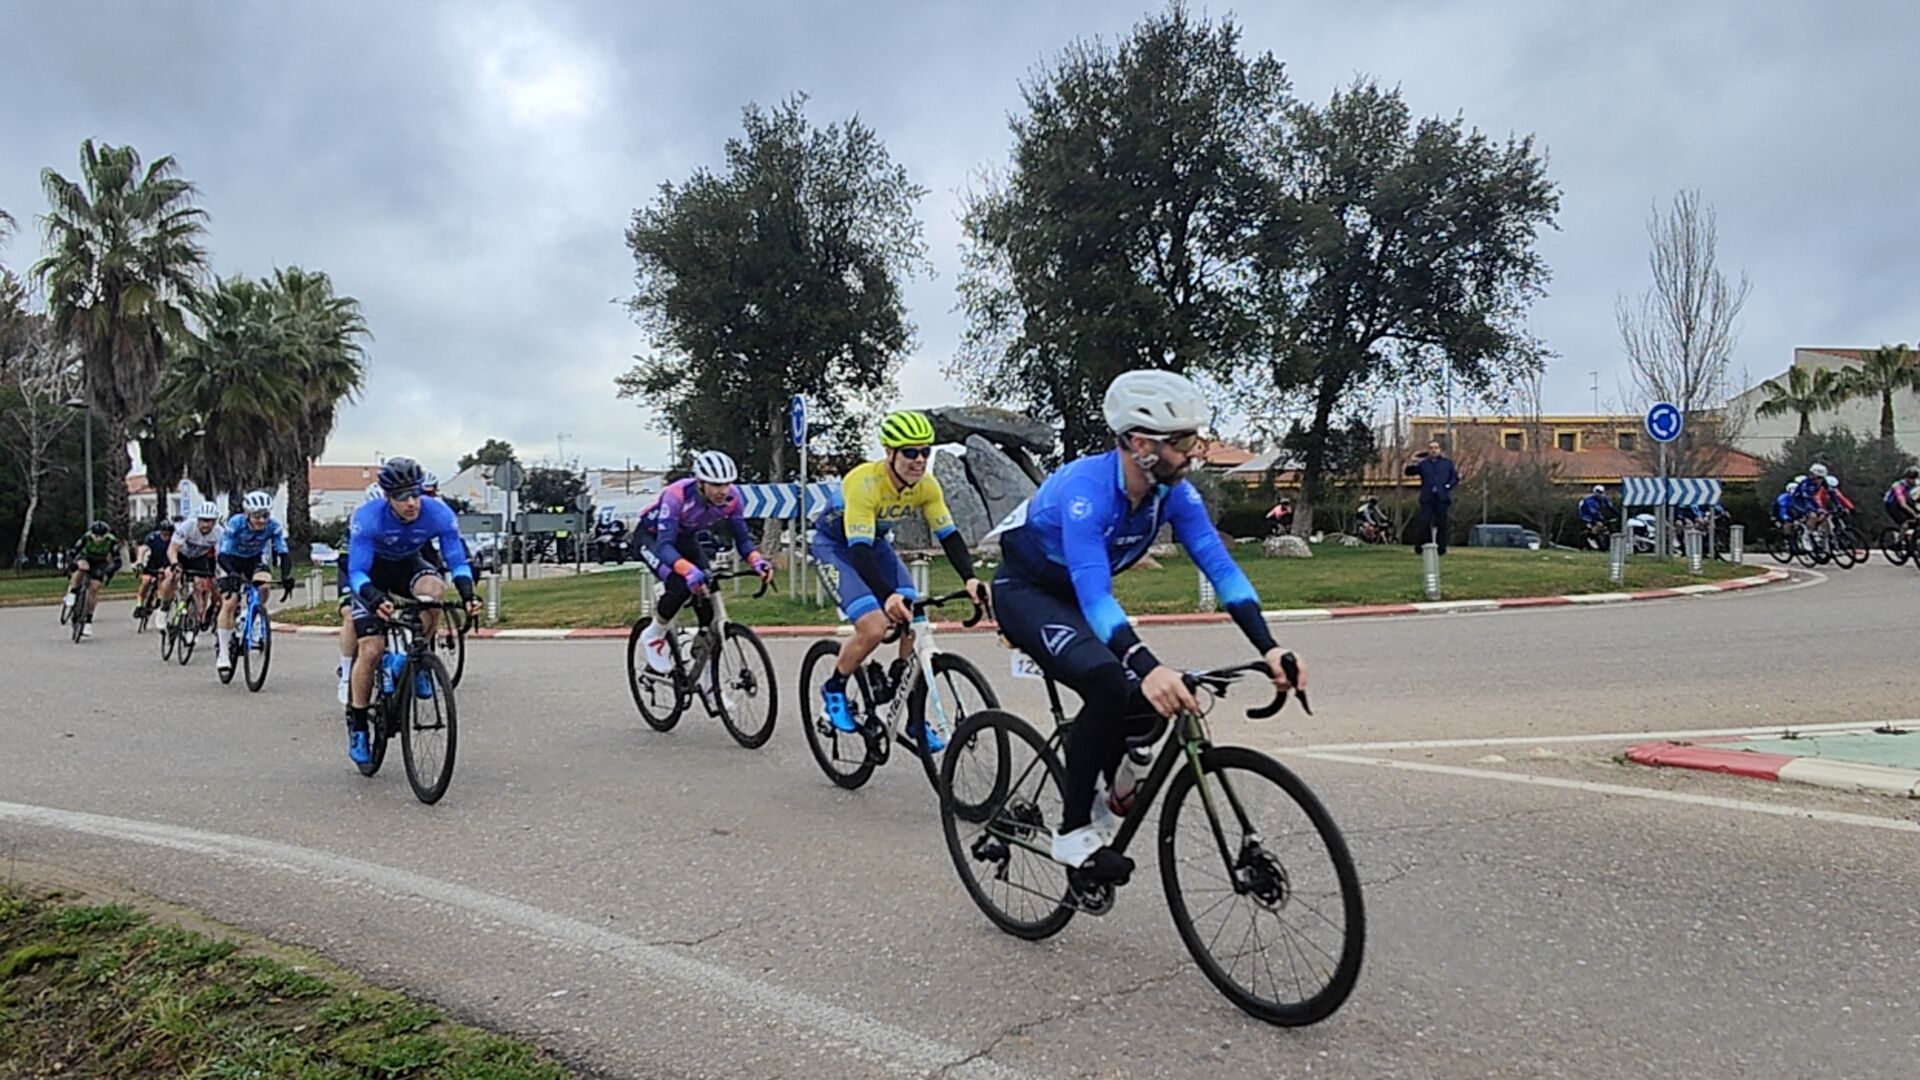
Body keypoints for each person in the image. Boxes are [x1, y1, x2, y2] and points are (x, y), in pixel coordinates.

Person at [990, 370, 1301, 878]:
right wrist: (1147, 665)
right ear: (1140, 444)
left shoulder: (1173, 492)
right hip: (1028, 595)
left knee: (1160, 696)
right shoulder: (1086, 490)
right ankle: (1073, 834)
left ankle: (1112, 781)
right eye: (1182, 442)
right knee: (1113, 681)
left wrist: (1269, 646)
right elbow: (1095, 595)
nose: (1195, 451)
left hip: (1081, 600)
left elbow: (1221, 569)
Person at [811, 410, 986, 743]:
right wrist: (886, 594)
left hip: (873, 544)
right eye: (910, 452)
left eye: (925, 452)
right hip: (837, 547)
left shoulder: (926, 486)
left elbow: (948, 534)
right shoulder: (864, 483)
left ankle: (910, 707)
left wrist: (970, 578)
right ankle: (834, 687)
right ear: (890, 453)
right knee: (874, 626)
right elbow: (858, 551)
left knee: (915, 613)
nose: (919, 460)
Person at [341, 457, 480, 770]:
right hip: (371, 574)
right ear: (388, 497)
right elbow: (357, 571)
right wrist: (374, 597)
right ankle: (359, 724)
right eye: (403, 497)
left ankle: (416, 658)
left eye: (416, 494)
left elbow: (456, 560)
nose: (412, 502)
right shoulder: (369, 517)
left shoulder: (438, 513)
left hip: (407, 566)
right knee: (372, 649)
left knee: (434, 592)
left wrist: (469, 593)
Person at [632, 450, 774, 685]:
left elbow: (743, 541)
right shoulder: (676, 495)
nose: (722, 491)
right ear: (700, 482)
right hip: (652, 539)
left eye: (726, 484)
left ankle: (704, 667)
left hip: (686, 539)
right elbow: (665, 546)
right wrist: (687, 571)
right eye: (715, 485)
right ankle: (654, 634)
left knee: (707, 588)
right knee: (679, 584)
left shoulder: (733, 499)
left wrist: (757, 560)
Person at [216, 492, 294, 674]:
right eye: (257, 516)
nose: (261, 520)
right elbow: (222, 554)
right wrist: (232, 573)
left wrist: (286, 576)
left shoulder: (273, 526)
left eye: (265, 515)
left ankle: (253, 617)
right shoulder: (236, 523)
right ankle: (224, 652)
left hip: (254, 559)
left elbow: (283, 552)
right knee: (230, 601)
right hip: (231, 559)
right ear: (247, 514)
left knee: (264, 586)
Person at [169, 502, 225, 641]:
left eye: (210, 521)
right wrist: (175, 564)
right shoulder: (187, 526)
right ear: (198, 519)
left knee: (199, 586)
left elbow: (221, 556)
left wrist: (222, 574)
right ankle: (166, 607)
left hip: (199, 559)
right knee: (172, 578)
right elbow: (172, 550)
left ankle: (192, 622)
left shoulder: (219, 532)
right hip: (181, 556)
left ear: (215, 522)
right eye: (203, 520)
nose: (206, 524)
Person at [63, 521, 120, 635]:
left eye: (101, 536)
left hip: (100, 562)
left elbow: (117, 560)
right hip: (86, 557)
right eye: (96, 536)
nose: (98, 539)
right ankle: (73, 593)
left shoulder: (112, 541)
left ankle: (88, 620)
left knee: (94, 588)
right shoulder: (86, 537)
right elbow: (73, 552)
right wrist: (71, 564)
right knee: (82, 568)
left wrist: (110, 571)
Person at [1405, 439, 1459, 554]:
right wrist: (1412, 461)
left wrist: (1447, 486)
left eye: (1436, 448)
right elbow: (1409, 472)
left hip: (1442, 497)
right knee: (1424, 522)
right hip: (1427, 498)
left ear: (1440, 450)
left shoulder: (1447, 463)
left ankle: (1441, 548)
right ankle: (1422, 546)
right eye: (1431, 448)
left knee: (1442, 523)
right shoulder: (1423, 464)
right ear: (1428, 450)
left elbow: (1454, 478)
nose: (1433, 450)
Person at [132, 518, 175, 621]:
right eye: (164, 534)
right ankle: (139, 605)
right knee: (145, 581)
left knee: (163, 578)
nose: (166, 536)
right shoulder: (152, 538)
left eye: (168, 534)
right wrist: (139, 561)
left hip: (165, 565)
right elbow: (143, 549)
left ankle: (159, 600)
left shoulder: (174, 540)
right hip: (152, 564)